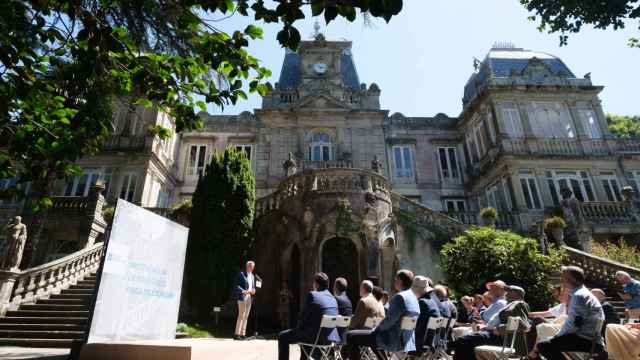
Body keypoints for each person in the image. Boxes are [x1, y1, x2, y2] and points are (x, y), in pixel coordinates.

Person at [346, 269, 420, 360]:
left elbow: (389, 321)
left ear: (400, 281)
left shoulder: (400, 297)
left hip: (393, 339)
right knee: (371, 335)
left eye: (395, 279)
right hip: (407, 340)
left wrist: (376, 330)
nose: (394, 281)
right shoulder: (414, 298)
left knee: (350, 336)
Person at [536, 266, 607, 360]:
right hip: (588, 339)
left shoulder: (579, 296)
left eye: (563, 277)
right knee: (547, 342)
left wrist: (557, 336)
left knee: (543, 345)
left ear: (571, 279)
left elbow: (574, 324)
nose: (562, 280)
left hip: (586, 341)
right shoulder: (583, 293)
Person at [454, 285, 529, 360]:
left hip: (501, 338)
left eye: (509, 291)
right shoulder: (510, 304)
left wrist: (497, 330)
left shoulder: (519, 304)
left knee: (463, 340)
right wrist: (486, 327)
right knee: (467, 341)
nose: (506, 293)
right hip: (493, 334)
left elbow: (523, 325)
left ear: (517, 294)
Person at [277, 272, 339, 360]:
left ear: (316, 284)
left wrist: (298, 328)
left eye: (313, 283)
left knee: (282, 336)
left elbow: (303, 317)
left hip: (314, 338)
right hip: (329, 339)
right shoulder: (333, 299)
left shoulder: (313, 295)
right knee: (306, 333)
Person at [411, 276, 440, 355]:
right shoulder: (432, 302)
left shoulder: (422, 302)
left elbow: (417, 325)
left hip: (420, 343)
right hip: (431, 342)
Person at [233, 261, 256, 340]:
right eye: (251, 266)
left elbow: (252, 287)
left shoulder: (252, 276)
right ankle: (237, 334)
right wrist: (243, 291)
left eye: (253, 266)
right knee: (241, 315)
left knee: (246, 316)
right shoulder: (241, 274)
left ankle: (243, 334)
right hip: (243, 296)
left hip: (249, 296)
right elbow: (236, 286)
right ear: (247, 266)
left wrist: (254, 290)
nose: (252, 268)